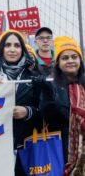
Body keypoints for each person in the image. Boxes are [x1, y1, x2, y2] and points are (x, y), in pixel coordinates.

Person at [0, 29, 41, 176]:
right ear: (1, 49)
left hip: (26, 145)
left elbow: (45, 109)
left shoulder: (33, 75)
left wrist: (28, 111)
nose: (12, 49)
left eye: (17, 45)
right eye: (7, 45)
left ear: (23, 49)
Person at [37, 36, 85, 174]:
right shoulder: (51, 84)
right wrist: (47, 94)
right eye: (65, 58)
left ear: (80, 60)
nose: (70, 61)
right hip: (62, 150)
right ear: (58, 63)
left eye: (74, 57)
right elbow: (48, 115)